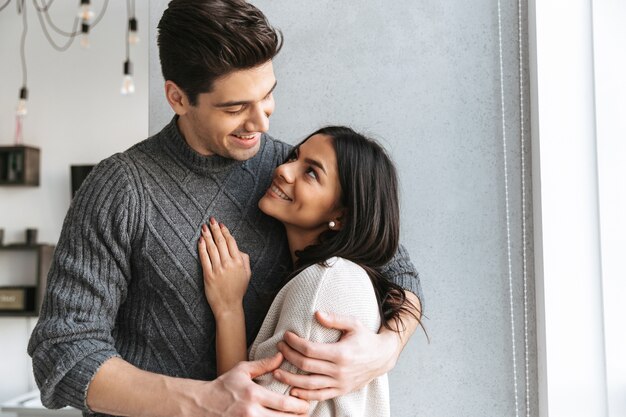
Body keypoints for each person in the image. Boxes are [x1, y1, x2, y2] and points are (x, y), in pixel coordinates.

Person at [27, 1, 423, 416]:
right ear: (178, 98)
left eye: (267, 95)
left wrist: (385, 348)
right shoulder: (120, 189)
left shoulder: (286, 174)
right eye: (235, 109)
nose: (261, 123)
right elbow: (62, 351)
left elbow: (399, 272)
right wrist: (205, 401)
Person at [199, 126, 422, 416]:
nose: (283, 170)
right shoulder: (333, 277)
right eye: (294, 157)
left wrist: (228, 309)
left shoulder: (325, 283)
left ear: (340, 216)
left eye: (312, 173)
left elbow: (248, 410)